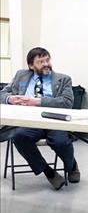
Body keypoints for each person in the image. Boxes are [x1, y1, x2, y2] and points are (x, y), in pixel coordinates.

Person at [0, 47, 80, 190]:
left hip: (54, 121)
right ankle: (48, 172)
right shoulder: (21, 75)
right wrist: (10, 98)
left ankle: (72, 166)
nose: (45, 64)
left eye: (47, 60)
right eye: (40, 61)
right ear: (31, 65)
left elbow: (67, 102)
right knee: (19, 137)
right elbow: (2, 94)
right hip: (29, 121)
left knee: (60, 141)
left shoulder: (63, 79)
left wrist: (37, 101)